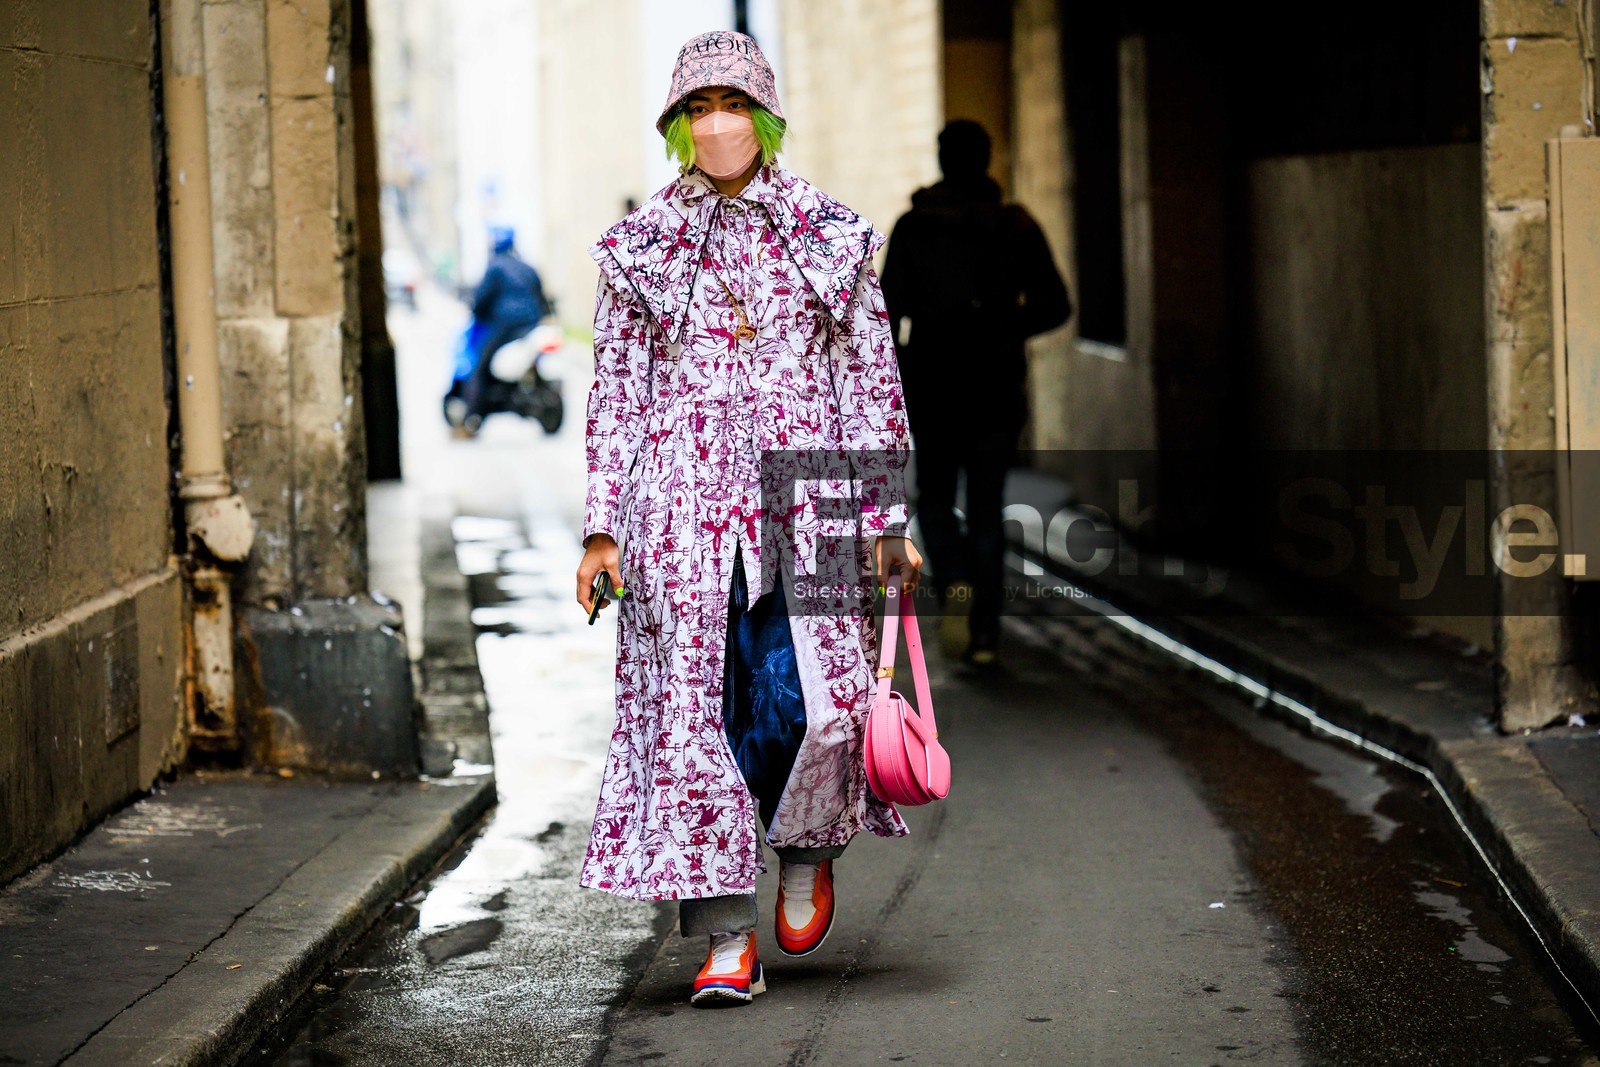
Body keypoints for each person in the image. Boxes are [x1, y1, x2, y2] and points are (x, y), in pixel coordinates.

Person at [574, 29, 923, 1008]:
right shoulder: (639, 250)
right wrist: (604, 528)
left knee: (818, 701)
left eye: (732, 102)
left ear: (764, 115)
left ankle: (808, 850)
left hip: (811, 503)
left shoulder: (829, 235)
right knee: (697, 723)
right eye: (697, 106)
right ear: (678, 127)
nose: (716, 122)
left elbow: (869, 379)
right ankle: (726, 936)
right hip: (681, 519)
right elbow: (615, 395)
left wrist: (889, 514)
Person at [881, 120, 1071, 666]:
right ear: (987, 160)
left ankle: (955, 580)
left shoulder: (914, 229)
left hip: (934, 385)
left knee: (935, 501)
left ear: (942, 162)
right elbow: (1056, 305)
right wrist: (1004, 324)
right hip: (995, 386)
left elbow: (885, 317)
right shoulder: (1015, 227)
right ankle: (985, 634)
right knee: (987, 507)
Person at [459, 226, 548, 436]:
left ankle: (469, 420)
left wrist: (476, 310)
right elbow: (541, 297)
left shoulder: (495, 268)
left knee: (479, 368)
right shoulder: (527, 267)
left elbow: (481, 301)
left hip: (505, 327)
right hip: (532, 326)